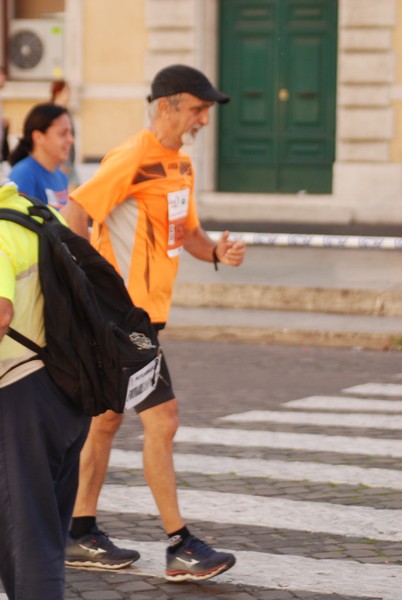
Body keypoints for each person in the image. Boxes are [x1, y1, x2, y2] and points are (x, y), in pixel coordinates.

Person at [61, 64, 246, 581]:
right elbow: (77, 213)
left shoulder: (179, 166)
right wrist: (93, 289)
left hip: (146, 317)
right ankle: (180, 545)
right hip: (123, 320)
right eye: (196, 108)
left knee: (105, 421)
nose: (203, 119)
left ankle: (78, 533)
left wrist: (216, 252)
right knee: (163, 421)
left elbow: (187, 235)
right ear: (166, 105)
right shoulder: (132, 156)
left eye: (205, 111)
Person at [0, 181, 91, 600]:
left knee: (30, 537)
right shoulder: (37, 212)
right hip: (66, 389)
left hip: (21, 394)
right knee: (41, 529)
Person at [8, 103, 74, 210]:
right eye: (63, 134)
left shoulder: (62, 177)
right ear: (38, 137)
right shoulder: (23, 175)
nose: (70, 140)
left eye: (70, 133)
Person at [50, 80, 80, 189]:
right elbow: (54, 138)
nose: (69, 95)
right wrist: (60, 162)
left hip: (68, 159)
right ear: (58, 92)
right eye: (66, 91)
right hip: (61, 161)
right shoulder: (53, 113)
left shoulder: (65, 112)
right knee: (71, 190)